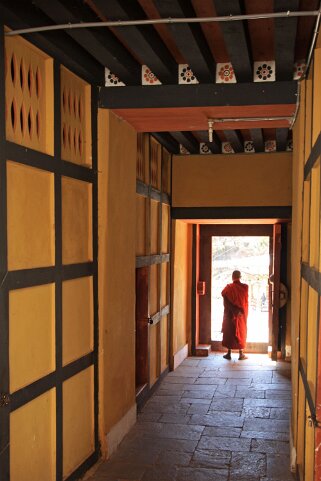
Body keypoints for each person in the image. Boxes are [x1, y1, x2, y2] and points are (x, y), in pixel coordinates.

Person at [221, 270, 249, 360]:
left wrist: (232, 310)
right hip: (240, 315)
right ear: (240, 277)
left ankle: (228, 353)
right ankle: (241, 354)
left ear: (232, 277)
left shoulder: (228, 288)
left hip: (230, 315)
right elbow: (244, 303)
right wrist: (239, 311)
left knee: (230, 332)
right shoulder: (244, 288)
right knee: (240, 332)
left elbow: (225, 300)